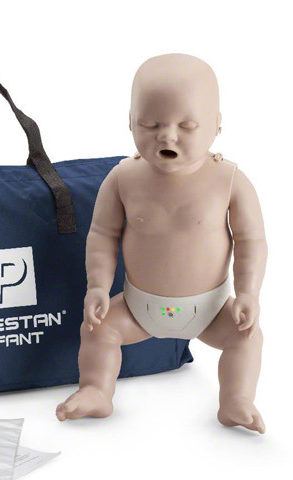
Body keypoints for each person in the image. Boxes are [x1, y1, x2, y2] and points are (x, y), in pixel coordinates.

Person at [56, 54, 267, 433]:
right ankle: (96, 390)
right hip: (138, 307)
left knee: (246, 337)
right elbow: (102, 235)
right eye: (150, 124)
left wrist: (249, 294)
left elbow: (251, 241)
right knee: (98, 330)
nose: (167, 136)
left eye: (187, 126)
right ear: (130, 122)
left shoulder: (230, 180)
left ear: (217, 125)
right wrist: (98, 287)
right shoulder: (122, 177)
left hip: (212, 309)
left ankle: (236, 400)